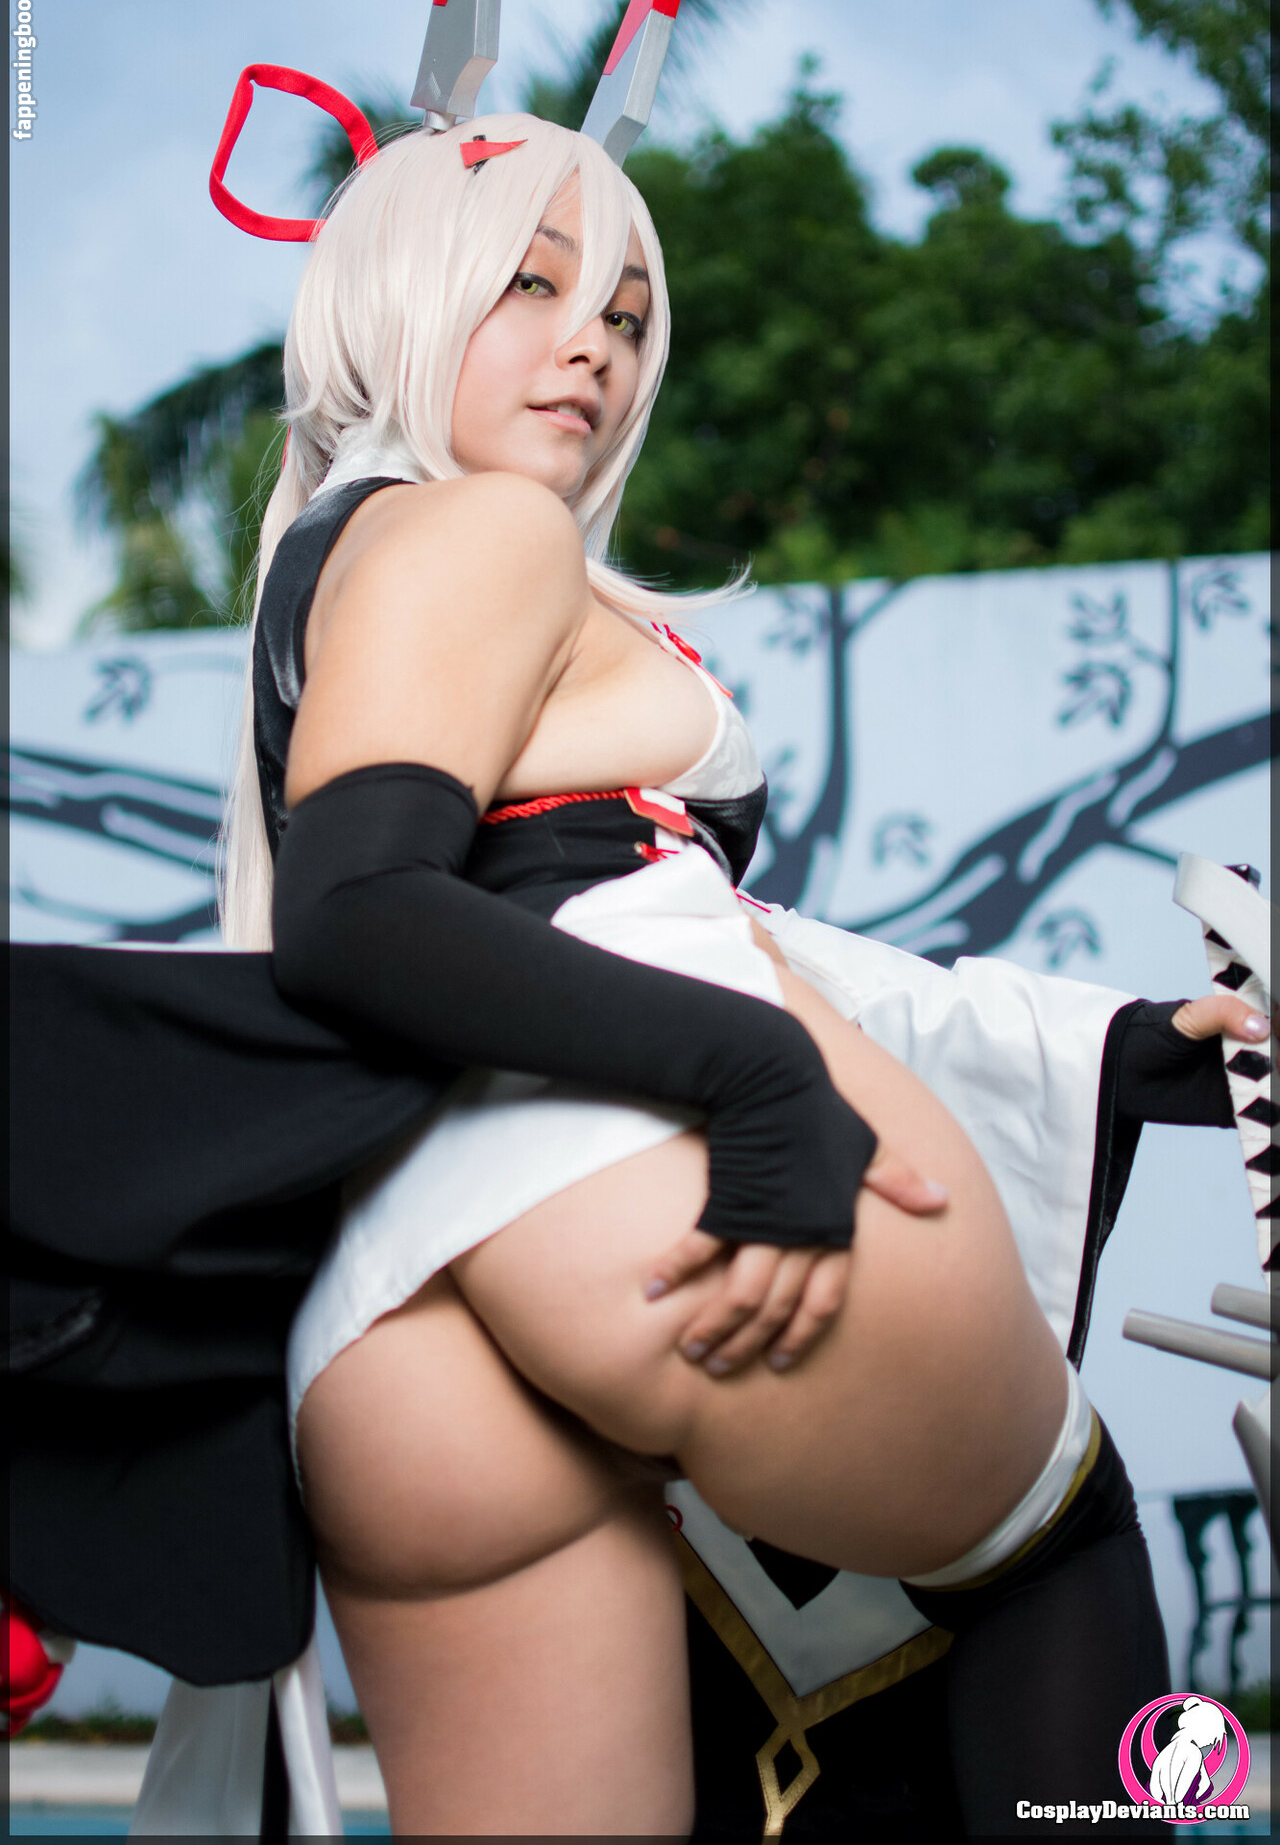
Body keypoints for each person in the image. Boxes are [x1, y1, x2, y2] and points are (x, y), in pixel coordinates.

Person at [197, 107, 1262, 1838]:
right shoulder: (487, 532)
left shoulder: (338, 574)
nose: (593, 349)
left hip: (388, 1333)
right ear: (398, 289)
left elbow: (616, 918)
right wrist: (759, 1082)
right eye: (532, 287)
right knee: (1060, 1546)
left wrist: (1128, 1048)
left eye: (626, 316)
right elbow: (366, 911)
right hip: (648, 1194)